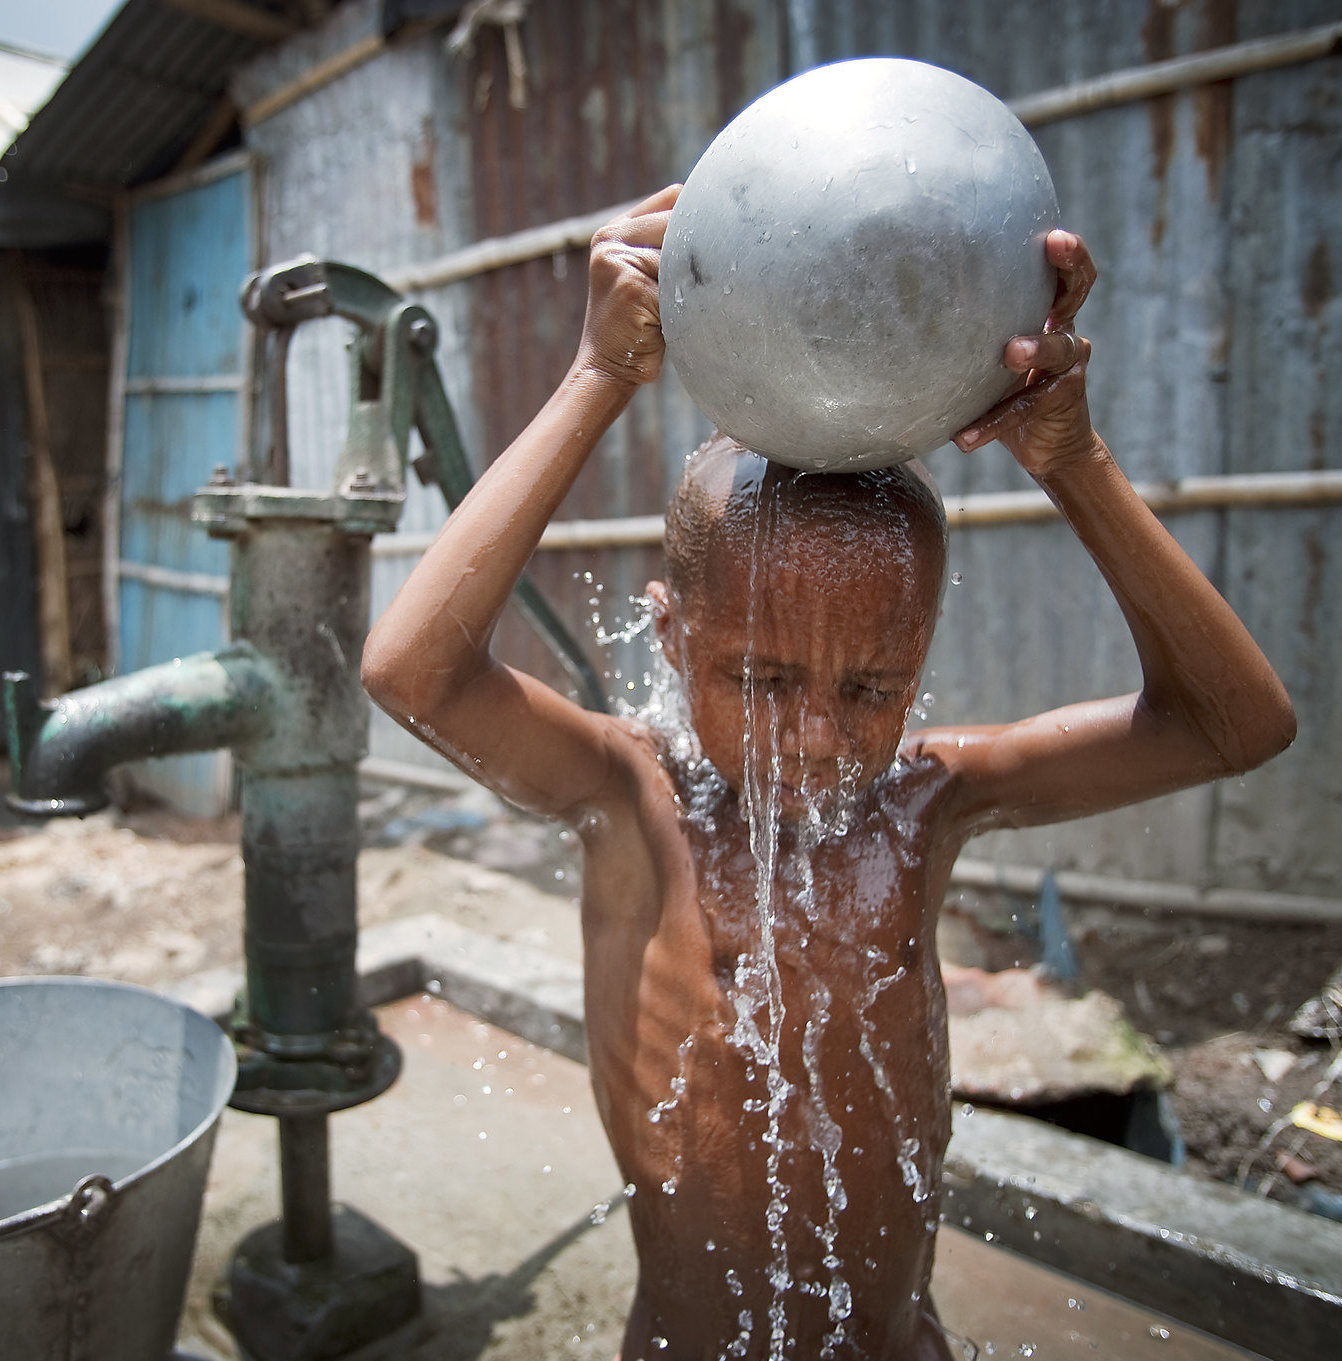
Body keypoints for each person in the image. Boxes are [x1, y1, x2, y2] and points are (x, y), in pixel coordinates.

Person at [361, 183, 1297, 1360]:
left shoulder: (927, 799)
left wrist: (1071, 457)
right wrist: (596, 379)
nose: (814, 732)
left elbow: (1232, 723)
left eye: (869, 688)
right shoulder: (622, 794)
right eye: (758, 679)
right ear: (670, 639)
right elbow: (413, 673)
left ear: (919, 666)